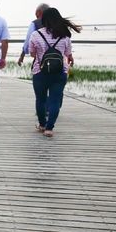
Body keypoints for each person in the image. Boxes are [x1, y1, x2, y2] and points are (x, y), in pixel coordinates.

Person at [28, 7, 80, 137]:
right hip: (59, 72)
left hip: (40, 72)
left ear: (44, 20)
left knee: (40, 100)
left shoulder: (36, 35)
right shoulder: (64, 36)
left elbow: (32, 53)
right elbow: (67, 53)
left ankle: (42, 124)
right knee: (55, 100)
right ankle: (49, 128)